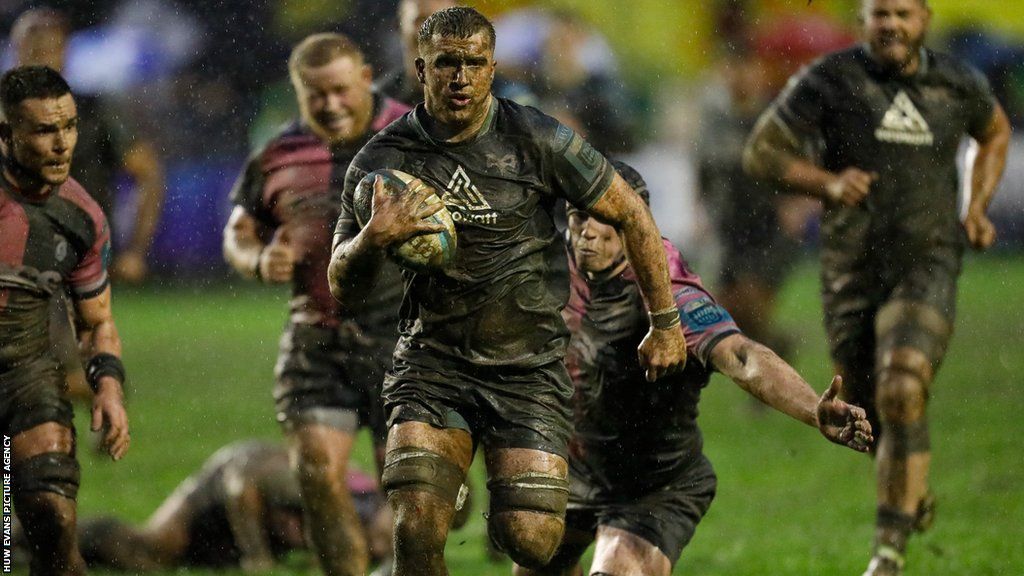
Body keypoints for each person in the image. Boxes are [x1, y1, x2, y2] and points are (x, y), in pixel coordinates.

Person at [328, 7, 688, 574]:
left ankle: (482, 478)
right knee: (417, 527)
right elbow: (341, 283)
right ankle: (439, 477)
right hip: (433, 363)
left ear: (493, 68)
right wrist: (373, 240)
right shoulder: (383, 161)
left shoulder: (538, 139)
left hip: (528, 367)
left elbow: (633, 214)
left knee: (532, 541)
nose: (461, 78)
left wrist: (664, 321)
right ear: (420, 68)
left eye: (474, 64)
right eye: (446, 63)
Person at [742, 1, 1012, 574]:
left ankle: (886, 554)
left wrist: (978, 206)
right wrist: (826, 181)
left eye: (904, 12)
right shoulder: (829, 80)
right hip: (850, 274)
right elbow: (761, 152)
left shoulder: (957, 81)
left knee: (903, 384)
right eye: (879, 11)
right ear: (863, 19)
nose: (891, 23)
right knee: (869, 415)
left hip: (927, 264)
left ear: (925, 19)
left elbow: (994, 132)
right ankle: (908, 490)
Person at [515, 161, 873, 576]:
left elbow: (742, 357)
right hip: (574, 471)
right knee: (532, 559)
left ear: (636, 225)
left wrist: (813, 409)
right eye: (579, 217)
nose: (589, 231)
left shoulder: (665, 288)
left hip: (654, 485)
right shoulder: (550, 269)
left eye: (605, 219)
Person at [223, 33, 409, 576]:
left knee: (412, 486)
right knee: (317, 473)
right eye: (315, 95)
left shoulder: (414, 136)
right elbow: (238, 231)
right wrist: (258, 259)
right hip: (318, 339)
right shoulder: (278, 152)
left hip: (408, 340)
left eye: (340, 91)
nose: (329, 105)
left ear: (366, 77)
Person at [0, 65, 130, 575]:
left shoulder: (82, 217)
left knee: (52, 520)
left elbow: (97, 321)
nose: (62, 144)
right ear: (6, 134)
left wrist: (110, 389)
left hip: (27, 374)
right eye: (44, 130)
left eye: (70, 126)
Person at [12, 440, 390, 572]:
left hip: (241, 513)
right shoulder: (348, 494)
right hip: (224, 485)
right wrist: (256, 556)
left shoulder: (366, 528)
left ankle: (37, 553)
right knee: (150, 549)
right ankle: (22, 536)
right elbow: (243, 483)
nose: (378, 550)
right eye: (383, 542)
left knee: (160, 562)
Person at [10, 7, 166, 284]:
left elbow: (149, 174)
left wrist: (135, 251)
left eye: (46, 50)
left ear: (64, 55)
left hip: (80, 264)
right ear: (15, 52)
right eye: (30, 49)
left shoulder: (95, 113)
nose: (37, 60)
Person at [697, 43, 813, 369]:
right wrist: (701, 209)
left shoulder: (777, 120)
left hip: (770, 225)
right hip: (729, 225)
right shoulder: (714, 122)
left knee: (751, 297)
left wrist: (799, 204)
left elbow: (807, 164)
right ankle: (775, 351)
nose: (739, 77)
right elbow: (704, 169)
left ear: (760, 73)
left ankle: (765, 370)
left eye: (747, 68)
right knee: (729, 310)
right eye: (733, 69)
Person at [378, 0, 458, 105]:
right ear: (398, 27)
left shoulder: (483, 94)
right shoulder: (381, 102)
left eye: (446, 22)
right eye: (422, 20)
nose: (435, 32)